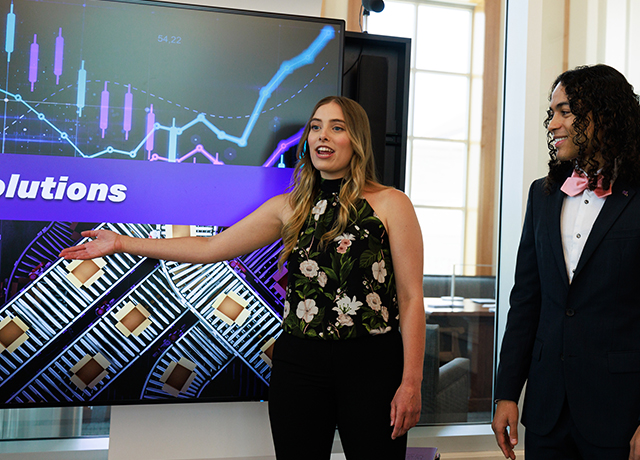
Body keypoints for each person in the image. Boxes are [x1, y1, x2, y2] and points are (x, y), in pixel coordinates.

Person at [59, 96, 425, 459]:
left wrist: (411, 382)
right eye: (315, 127)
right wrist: (122, 242)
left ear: (357, 140)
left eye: (336, 127)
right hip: (299, 366)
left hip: (372, 366)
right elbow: (211, 248)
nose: (321, 136)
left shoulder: (391, 204)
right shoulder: (290, 207)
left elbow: (411, 299)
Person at [491, 64, 640, 460]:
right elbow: (526, 302)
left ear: (604, 114)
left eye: (564, 111)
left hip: (621, 415)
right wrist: (506, 393)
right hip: (547, 412)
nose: (552, 124)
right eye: (551, 113)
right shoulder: (542, 195)